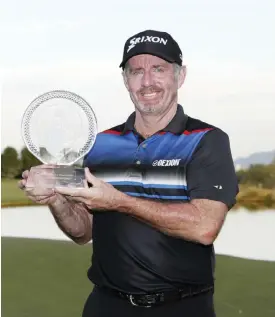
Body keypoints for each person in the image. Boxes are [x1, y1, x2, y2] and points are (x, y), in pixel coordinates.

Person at [19, 29, 239, 317]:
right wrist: (56, 199)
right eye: (136, 71)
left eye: (158, 69)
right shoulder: (100, 144)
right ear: (126, 80)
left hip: (182, 307)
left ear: (180, 76)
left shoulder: (206, 139)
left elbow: (204, 228)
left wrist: (120, 202)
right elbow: (83, 231)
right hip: (106, 305)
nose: (147, 81)